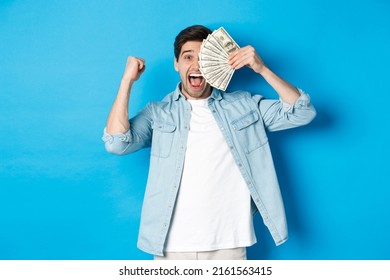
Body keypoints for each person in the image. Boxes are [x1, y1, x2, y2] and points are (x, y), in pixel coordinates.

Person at [102, 25, 316, 260]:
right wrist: (126, 81)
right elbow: (116, 143)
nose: (196, 65)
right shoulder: (158, 113)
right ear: (176, 64)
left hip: (229, 243)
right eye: (188, 57)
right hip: (171, 245)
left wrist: (262, 69)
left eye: (204, 57)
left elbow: (301, 112)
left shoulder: (244, 105)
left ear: (217, 62)